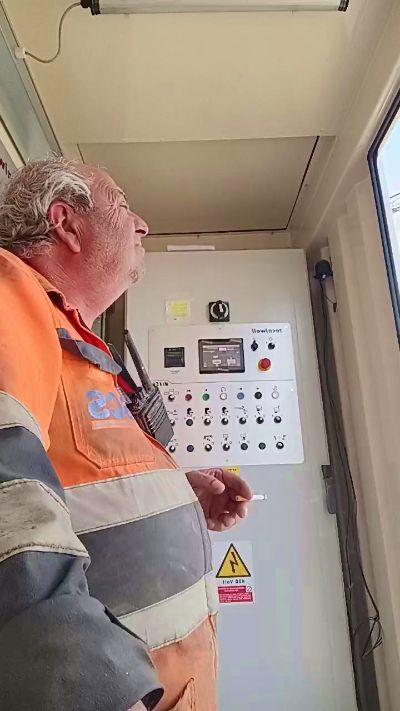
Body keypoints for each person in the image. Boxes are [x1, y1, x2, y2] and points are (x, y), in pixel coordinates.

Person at [0, 157, 252, 711]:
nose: (142, 225)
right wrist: (96, 692)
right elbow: (9, 517)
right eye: (121, 204)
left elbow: (71, 483)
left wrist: (177, 495)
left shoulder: (75, 342)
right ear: (67, 224)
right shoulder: (10, 296)